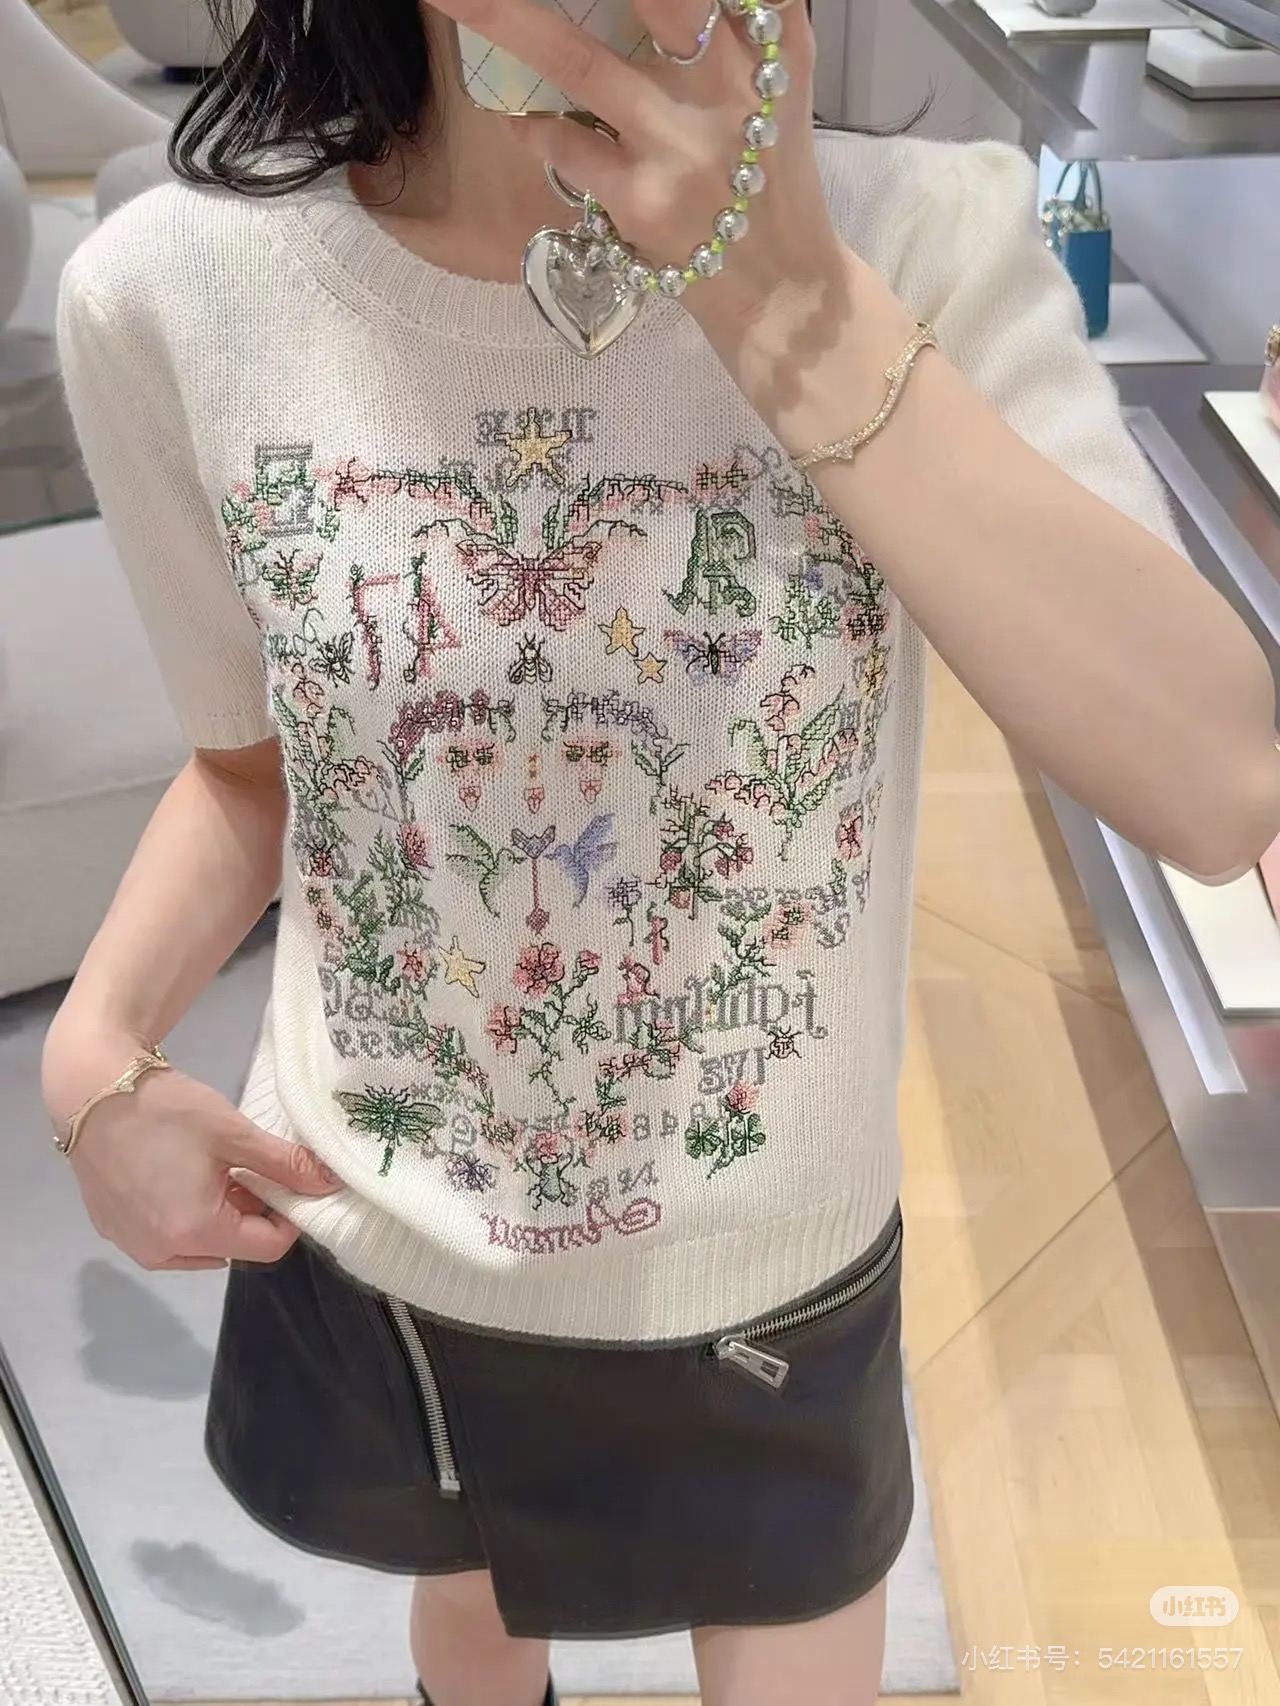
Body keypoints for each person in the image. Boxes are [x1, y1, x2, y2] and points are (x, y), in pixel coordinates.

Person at [42, 0, 1280, 1701]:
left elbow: (1218, 781)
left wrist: (788, 301)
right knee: (474, 1621)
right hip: (390, 1238)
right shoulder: (175, 295)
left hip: (766, 1285)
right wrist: (95, 1049)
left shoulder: (924, 243)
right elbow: (255, 770)